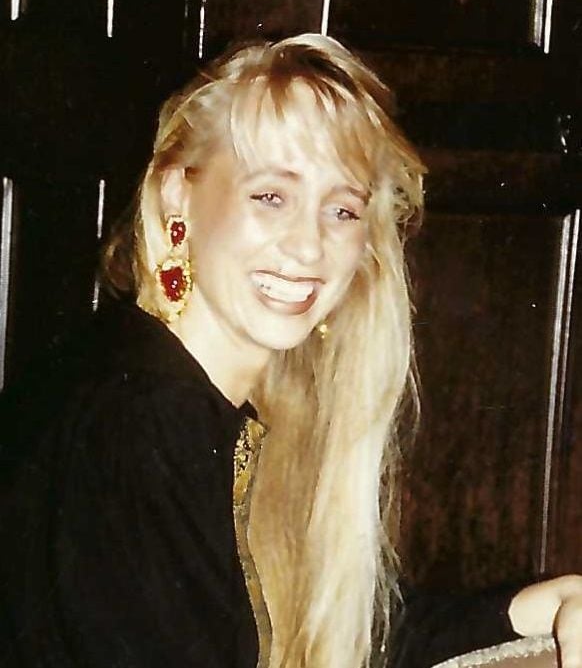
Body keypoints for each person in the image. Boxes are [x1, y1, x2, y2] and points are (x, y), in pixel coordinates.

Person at [1, 33, 581, 668]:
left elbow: (340, 635)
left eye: (341, 210)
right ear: (178, 195)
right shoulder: (137, 416)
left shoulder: (212, 398)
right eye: (271, 196)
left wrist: (535, 610)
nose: (309, 248)